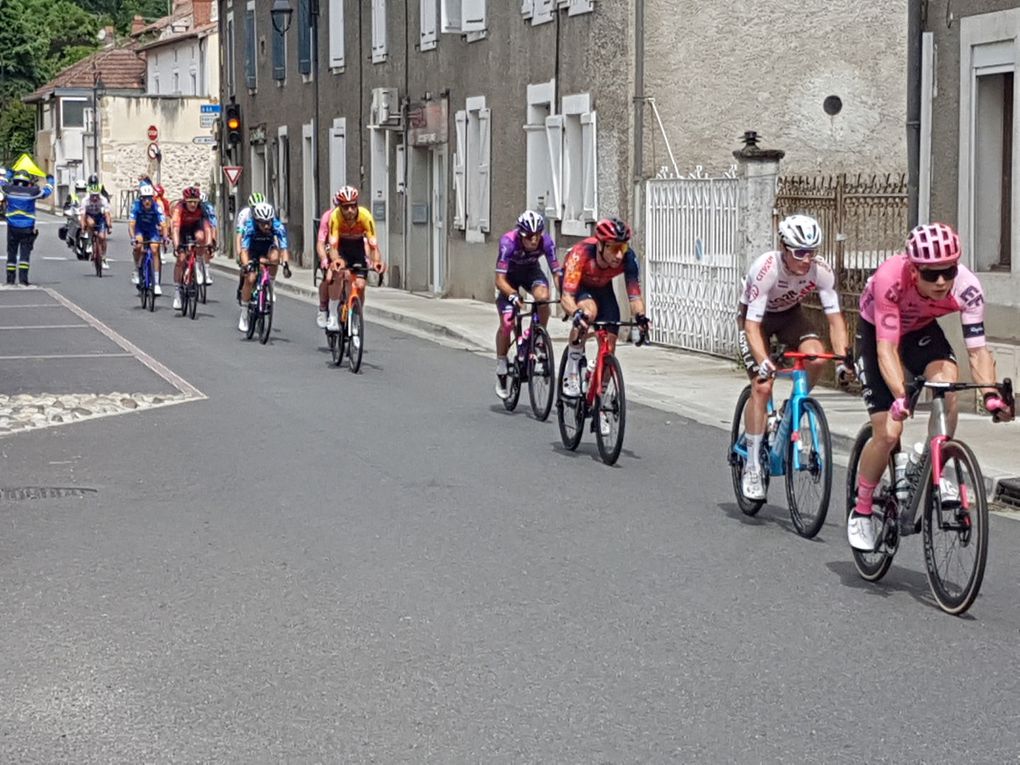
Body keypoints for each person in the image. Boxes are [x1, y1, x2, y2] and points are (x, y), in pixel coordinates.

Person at [846, 222, 1014, 550]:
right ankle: (863, 508)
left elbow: (978, 351)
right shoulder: (890, 279)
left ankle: (932, 454)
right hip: (877, 334)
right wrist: (900, 396)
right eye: (930, 274)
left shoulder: (967, 288)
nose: (941, 282)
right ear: (913, 270)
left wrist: (991, 397)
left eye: (948, 271)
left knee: (946, 380)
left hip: (920, 330)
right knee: (888, 433)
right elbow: (886, 350)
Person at [735, 214, 851, 501]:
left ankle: (792, 407)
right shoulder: (766, 269)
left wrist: (842, 361)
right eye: (800, 252)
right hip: (754, 321)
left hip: (790, 317)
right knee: (762, 385)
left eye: (812, 251)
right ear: (784, 248)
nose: (806, 259)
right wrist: (763, 360)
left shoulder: (821, 271)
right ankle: (751, 464)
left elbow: (836, 321)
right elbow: (751, 326)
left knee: (817, 357)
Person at [559, 217, 650, 399]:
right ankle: (572, 368)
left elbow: (634, 295)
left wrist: (641, 318)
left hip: (603, 288)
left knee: (610, 345)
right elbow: (566, 297)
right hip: (580, 286)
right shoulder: (582, 253)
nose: (619, 255)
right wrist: (576, 313)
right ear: (601, 245)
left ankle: (600, 401)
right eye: (615, 248)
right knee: (588, 313)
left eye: (622, 248)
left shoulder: (628, 258)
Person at [493, 210, 563, 398]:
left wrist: (565, 295)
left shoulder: (546, 242)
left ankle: (537, 338)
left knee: (543, 297)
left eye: (537, 235)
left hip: (531, 272)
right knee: (507, 322)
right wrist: (513, 295)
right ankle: (501, 364)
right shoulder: (508, 242)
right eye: (529, 236)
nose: (534, 240)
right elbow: (499, 279)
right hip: (510, 278)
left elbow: (556, 272)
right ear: (521, 234)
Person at [326, 186, 385, 332]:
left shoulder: (365, 216)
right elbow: (333, 245)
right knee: (340, 273)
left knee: (360, 284)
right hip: (341, 247)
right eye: (346, 207)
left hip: (357, 247)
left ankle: (357, 315)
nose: (350, 210)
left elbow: (373, 246)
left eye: (353, 206)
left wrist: (377, 262)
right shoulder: (335, 217)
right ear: (340, 207)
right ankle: (333, 314)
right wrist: (336, 260)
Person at [238, 201, 291, 333]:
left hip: (268, 248)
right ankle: (244, 313)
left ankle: (270, 285)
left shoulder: (277, 226)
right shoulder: (249, 227)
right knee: (250, 278)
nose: (267, 226)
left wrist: (285, 263)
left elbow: (284, 248)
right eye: (263, 223)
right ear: (256, 221)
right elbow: (244, 250)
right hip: (252, 250)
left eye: (269, 222)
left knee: (274, 257)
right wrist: (246, 265)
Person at [2, 171, 53, 285]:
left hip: (12, 227)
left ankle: (10, 280)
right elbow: (46, 192)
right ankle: (23, 280)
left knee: (11, 253)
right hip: (27, 227)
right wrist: (50, 181)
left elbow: (1, 184)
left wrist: (7, 175)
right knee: (24, 254)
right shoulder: (32, 191)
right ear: (27, 182)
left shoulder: (8, 189)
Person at [170, 185, 215, 310]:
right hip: (182, 230)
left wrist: (210, 243)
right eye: (190, 202)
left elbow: (207, 227)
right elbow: (175, 229)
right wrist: (177, 246)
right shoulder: (179, 209)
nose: (193, 205)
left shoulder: (202, 209)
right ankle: (177, 292)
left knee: (201, 237)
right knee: (181, 259)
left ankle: (198, 264)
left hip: (196, 227)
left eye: (195, 202)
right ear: (185, 201)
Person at [128, 183, 167, 294]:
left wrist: (165, 237)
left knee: (154, 249)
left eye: (149, 198)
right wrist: (132, 238)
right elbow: (131, 225)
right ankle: (137, 269)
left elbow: (163, 224)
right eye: (144, 199)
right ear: (141, 199)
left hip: (152, 229)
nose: (147, 201)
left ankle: (156, 284)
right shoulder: (136, 206)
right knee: (138, 245)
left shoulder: (157, 207)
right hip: (139, 228)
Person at [315, 190, 342, 328]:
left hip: (346, 247)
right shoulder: (328, 217)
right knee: (329, 277)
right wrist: (324, 259)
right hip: (329, 246)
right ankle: (323, 307)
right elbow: (320, 242)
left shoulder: (354, 217)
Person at [234, 192, 265, 303]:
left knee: (263, 265)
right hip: (247, 242)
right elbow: (239, 236)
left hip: (261, 242)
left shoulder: (266, 213)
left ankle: (263, 288)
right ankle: (243, 285)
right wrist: (239, 254)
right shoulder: (244, 214)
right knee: (246, 269)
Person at [80, 181, 113, 269]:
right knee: (91, 223)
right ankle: (90, 242)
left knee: (102, 237)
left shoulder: (103, 200)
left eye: (96, 195)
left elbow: (107, 215)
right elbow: (82, 216)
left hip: (100, 217)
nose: (95, 198)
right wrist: (83, 228)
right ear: (89, 194)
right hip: (89, 216)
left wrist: (109, 226)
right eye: (92, 196)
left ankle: (104, 258)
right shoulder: (85, 201)